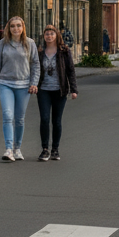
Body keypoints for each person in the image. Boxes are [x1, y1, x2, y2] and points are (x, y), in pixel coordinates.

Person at [0, 16, 38, 162]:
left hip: (24, 86)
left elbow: (35, 64)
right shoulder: (2, 44)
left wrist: (34, 82)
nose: (15, 29)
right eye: (12, 26)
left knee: (19, 119)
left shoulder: (30, 43)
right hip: (6, 84)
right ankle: (9, 149)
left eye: (18, 26)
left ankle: (17, 148)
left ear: (23, 27)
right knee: (8, 115)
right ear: (8, 28)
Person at [36, 24, 78, 162]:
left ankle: (55, 149)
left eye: (51, 34)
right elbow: (34, 69)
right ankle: (45, 149)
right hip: (43, 90)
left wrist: (73, 89)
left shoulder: (64, 51)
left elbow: (70, 70)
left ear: (56, 35)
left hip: (60, 90)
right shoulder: (40, 51)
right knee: (45, 119)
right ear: (44, 36)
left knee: (56, 121)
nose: (49, 36)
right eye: (47, 34)